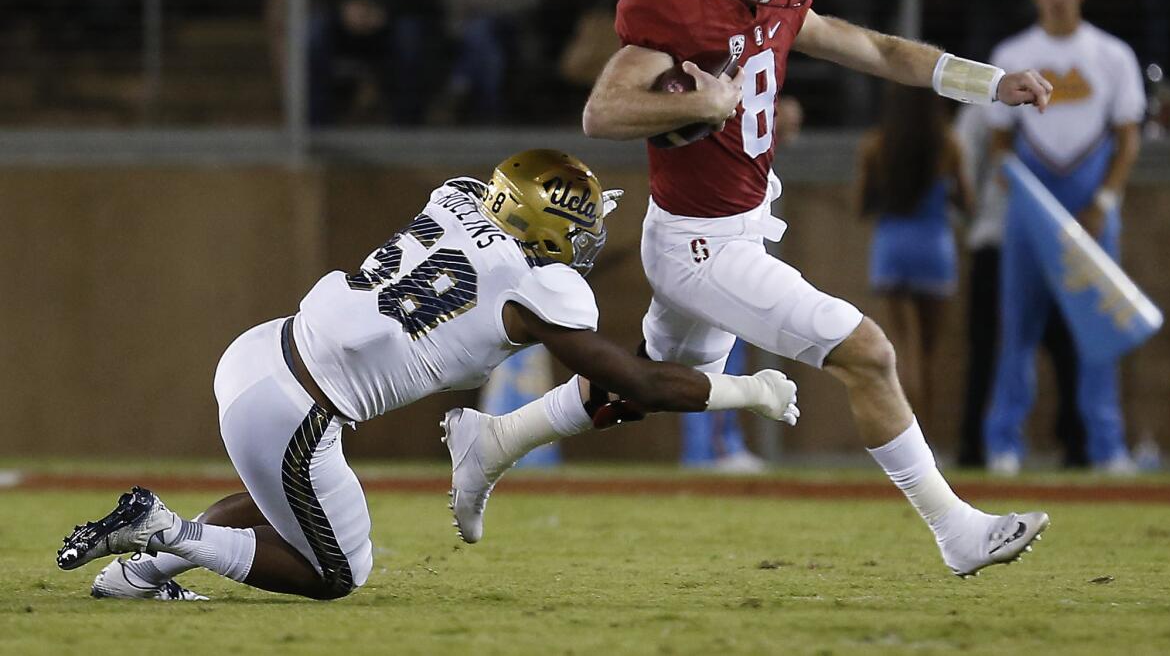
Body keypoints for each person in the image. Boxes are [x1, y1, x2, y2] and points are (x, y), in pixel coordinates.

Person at [572, 0, 1052, 577]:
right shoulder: (674, 10)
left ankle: (491, 440)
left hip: (733, 225)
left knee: (643, 386)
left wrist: (985, 81)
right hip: (700, 244)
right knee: (870, 352)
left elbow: (882, 51)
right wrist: (700, 108)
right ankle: (957, 530)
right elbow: (602, 113)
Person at [56, 149, 800, 601]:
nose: (581, 243)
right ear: (543, 231)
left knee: (284, 503)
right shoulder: (541, 291)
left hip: (262, 348)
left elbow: (490, 229)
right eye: (574, 230)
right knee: (337, 572)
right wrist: (748, 389)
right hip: (297, 408)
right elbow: (635, 386)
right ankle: (165, 528)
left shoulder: (453, 194)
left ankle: (138, 575)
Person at [984, 0, 1146, 475]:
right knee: (1018, 328)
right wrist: (1022, 195)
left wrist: (1103, 199)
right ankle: (1004, 443)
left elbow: (1127, 138)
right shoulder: (1011, 56)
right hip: (1033, 205)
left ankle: (1107, 446)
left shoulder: (1112, 55)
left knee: (1099, 331)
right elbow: (1000, 139)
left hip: (1091, 204)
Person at [954, 102, 1089, 469]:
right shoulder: (1056, 106)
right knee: (1060, 345)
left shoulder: (982, 108)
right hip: (1041, 240)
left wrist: (973, 215)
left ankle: (981, 445)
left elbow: (962, 169)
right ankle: (1075, 444)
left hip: (1001, 236)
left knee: (991, 346)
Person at [857, 88, 970, 422]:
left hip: (892, 247)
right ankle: (925, 437)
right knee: (927, 355)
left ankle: (903, 432)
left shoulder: (875, 144)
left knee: (902, 350)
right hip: (934, 248)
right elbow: (967, 202)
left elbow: (862, 204)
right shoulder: (949, 145)